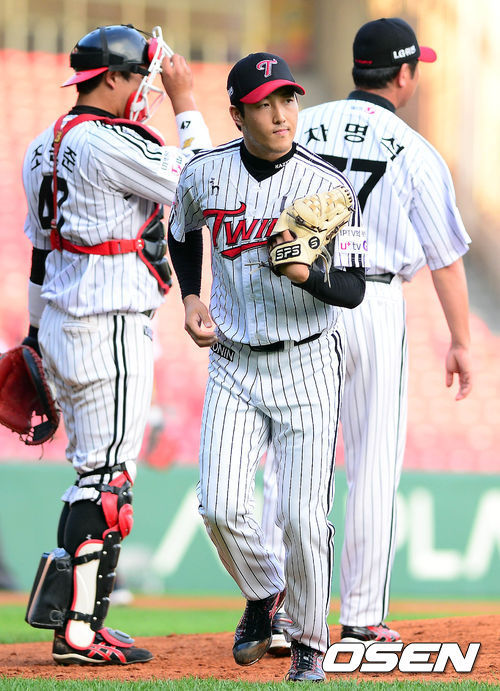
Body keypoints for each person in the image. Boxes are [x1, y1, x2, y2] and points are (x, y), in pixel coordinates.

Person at [262, 16, 472, 649]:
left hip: (303, 294)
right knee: (373, 463)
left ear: (358, 67)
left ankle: (277, 612)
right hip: (374, 300)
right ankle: (359, 615)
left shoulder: (300, 126)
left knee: (292, 461)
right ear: (403, 74)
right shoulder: (415, 149)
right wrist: (461, 341)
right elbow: (445, 258)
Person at [167, 51, 366, 682]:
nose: (281, 115)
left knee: (303, 518)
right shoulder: (205, 174)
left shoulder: (330, 186)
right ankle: (265, 591)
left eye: (288, 99)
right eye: (264, 104)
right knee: (219, 505)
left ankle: (309, 643)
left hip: (307, 361)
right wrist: (190, 296)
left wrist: (309, 274)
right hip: (232, 360)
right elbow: (181, 233)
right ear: (237, 114)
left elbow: (355, 288)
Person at [22, 23, 211, 665]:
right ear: (110, 77)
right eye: (137, 77)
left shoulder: (41, 146)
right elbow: (201, 185)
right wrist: (185, 101)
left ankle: (77, 620)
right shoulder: (106, 141)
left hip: (63, 321)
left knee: (91, 476)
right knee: (108, 483)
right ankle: (80, 631)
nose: (143, 89)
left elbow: (39, 257)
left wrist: (33, 336)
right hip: (109, 322)